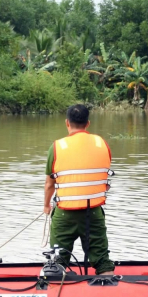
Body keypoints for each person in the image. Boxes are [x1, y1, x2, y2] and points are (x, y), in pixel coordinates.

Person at [43, 104, 114, 275]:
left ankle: (57, 294)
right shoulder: (102, 143)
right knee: (103, 262)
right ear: (88, 123)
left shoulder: (57, 147)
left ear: (67, 123)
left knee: (57, 261)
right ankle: (110, 292)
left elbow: (49, 184)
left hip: (65, 214)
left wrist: (46, 206)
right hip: (94, 212)